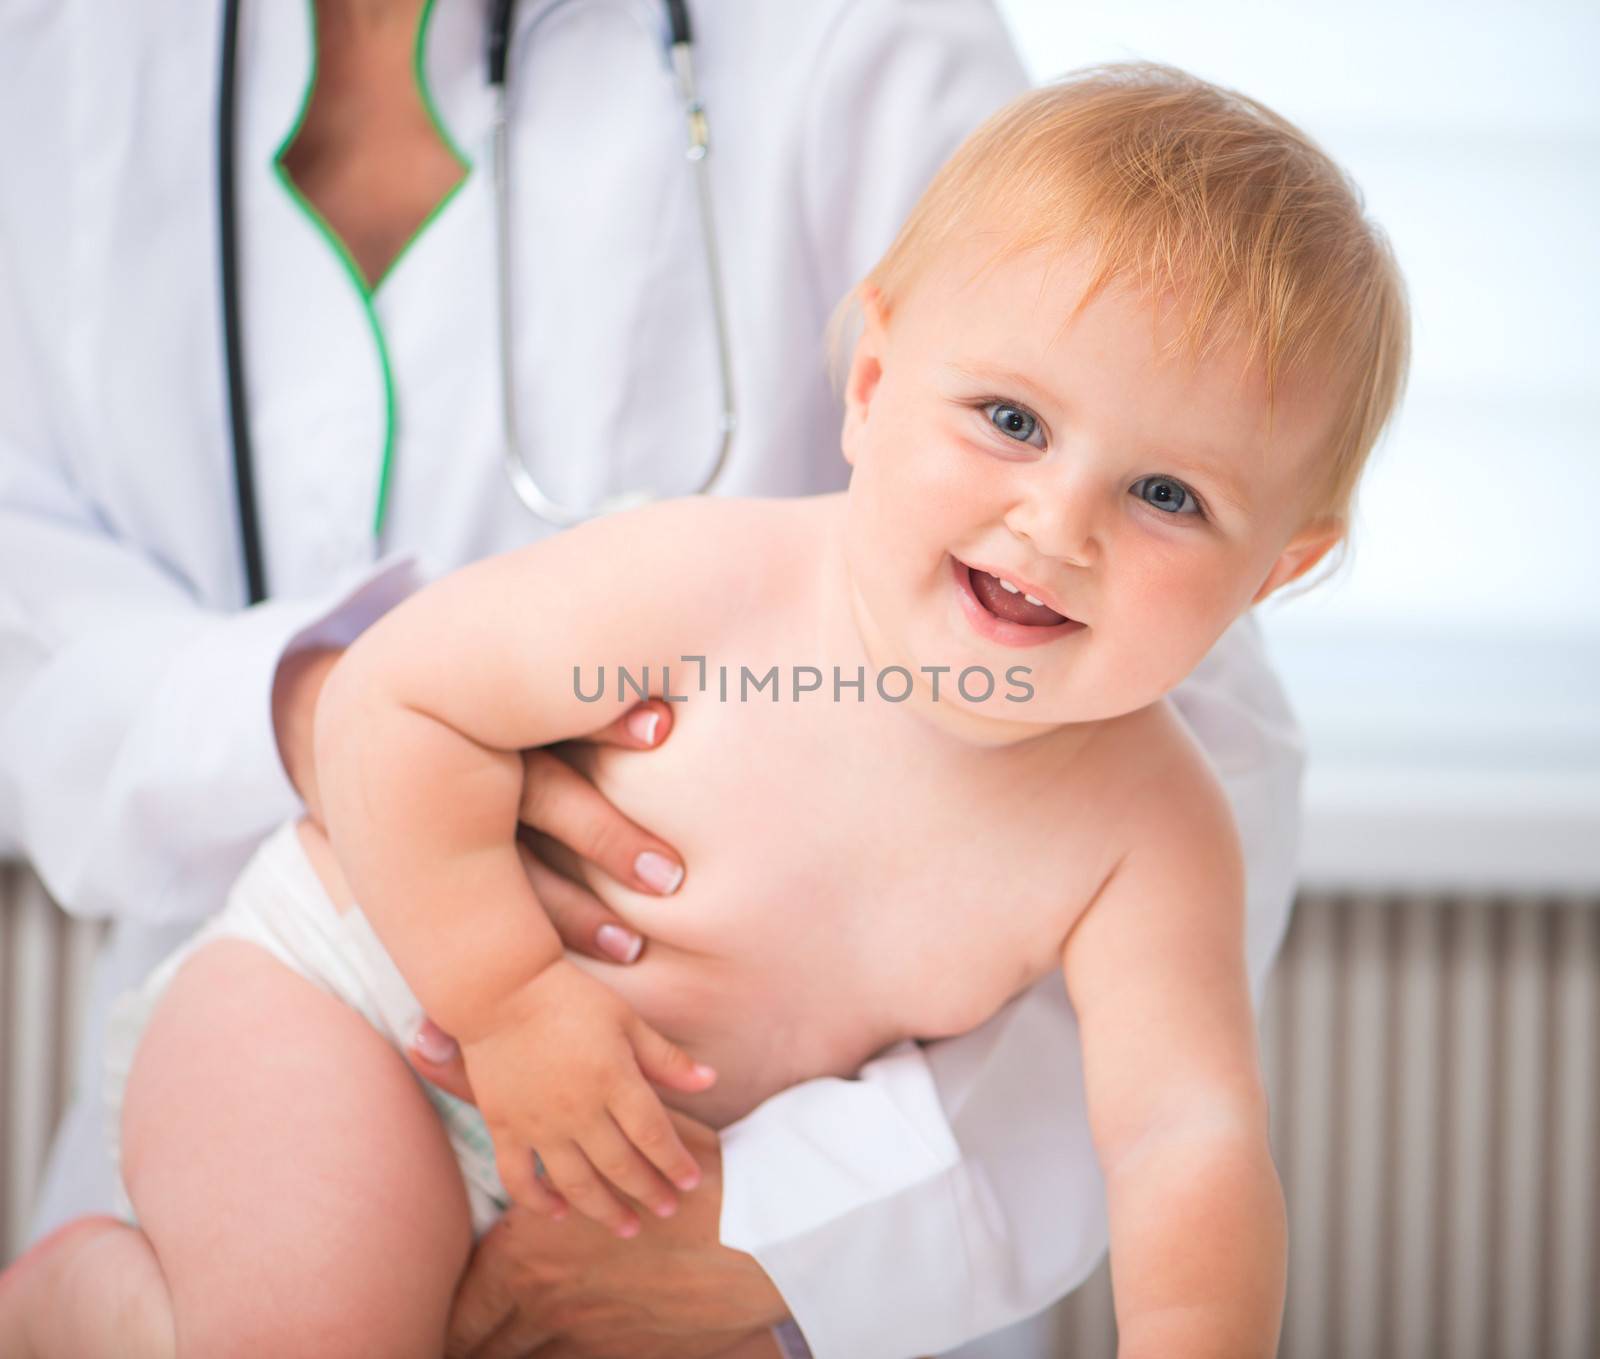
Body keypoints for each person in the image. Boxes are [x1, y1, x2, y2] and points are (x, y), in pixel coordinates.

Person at [0, 64, 1409, 1359]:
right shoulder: (714, 581)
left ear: (1276, 570)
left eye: (1169, 496)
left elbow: (1185, 1136)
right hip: (365, 1007)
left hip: (637, 1170)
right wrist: (513, 1000)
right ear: (869, 384)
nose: (1058, 523)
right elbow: (394, 702)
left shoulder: (1149, 835)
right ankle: (101, 1315)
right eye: (1012, 421)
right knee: (335, 1328)